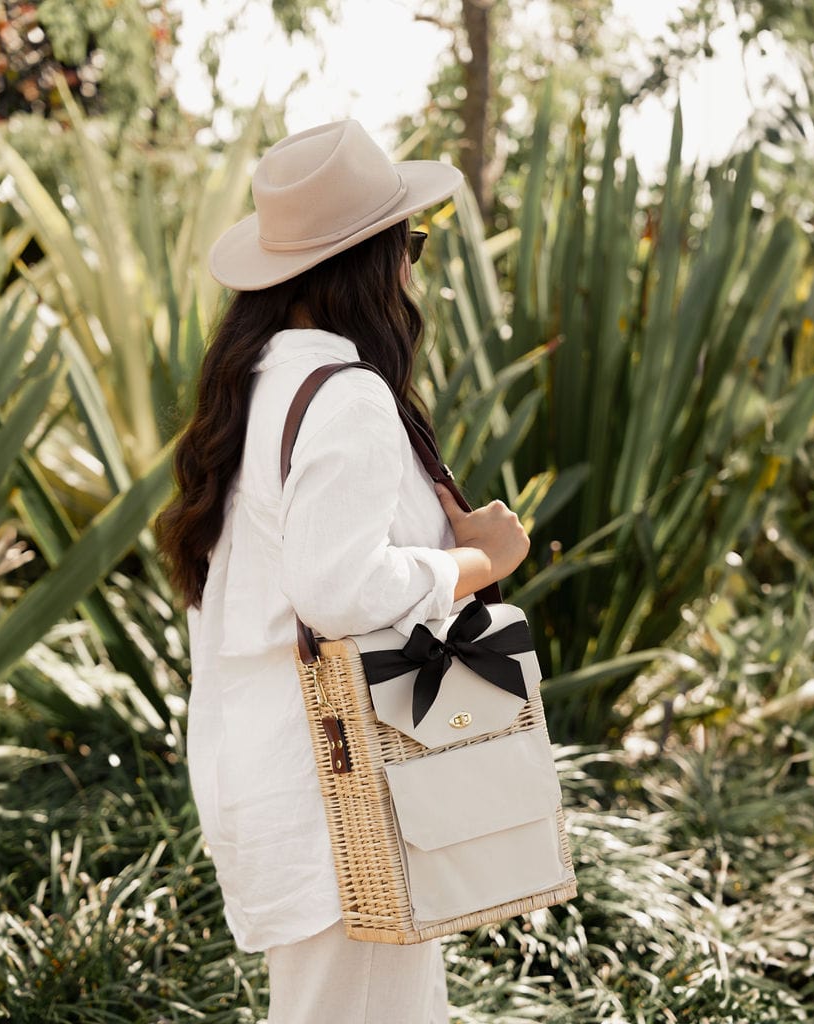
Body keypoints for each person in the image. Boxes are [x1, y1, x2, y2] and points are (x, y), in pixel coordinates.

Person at [156, 119, 530, 1024]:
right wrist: (480, 561)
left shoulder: (257, 389)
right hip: (348, 787)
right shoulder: (349, 396)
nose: (414, 269)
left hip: (290, 773)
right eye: (412, 244)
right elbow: (335, 588)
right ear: (372, 262)